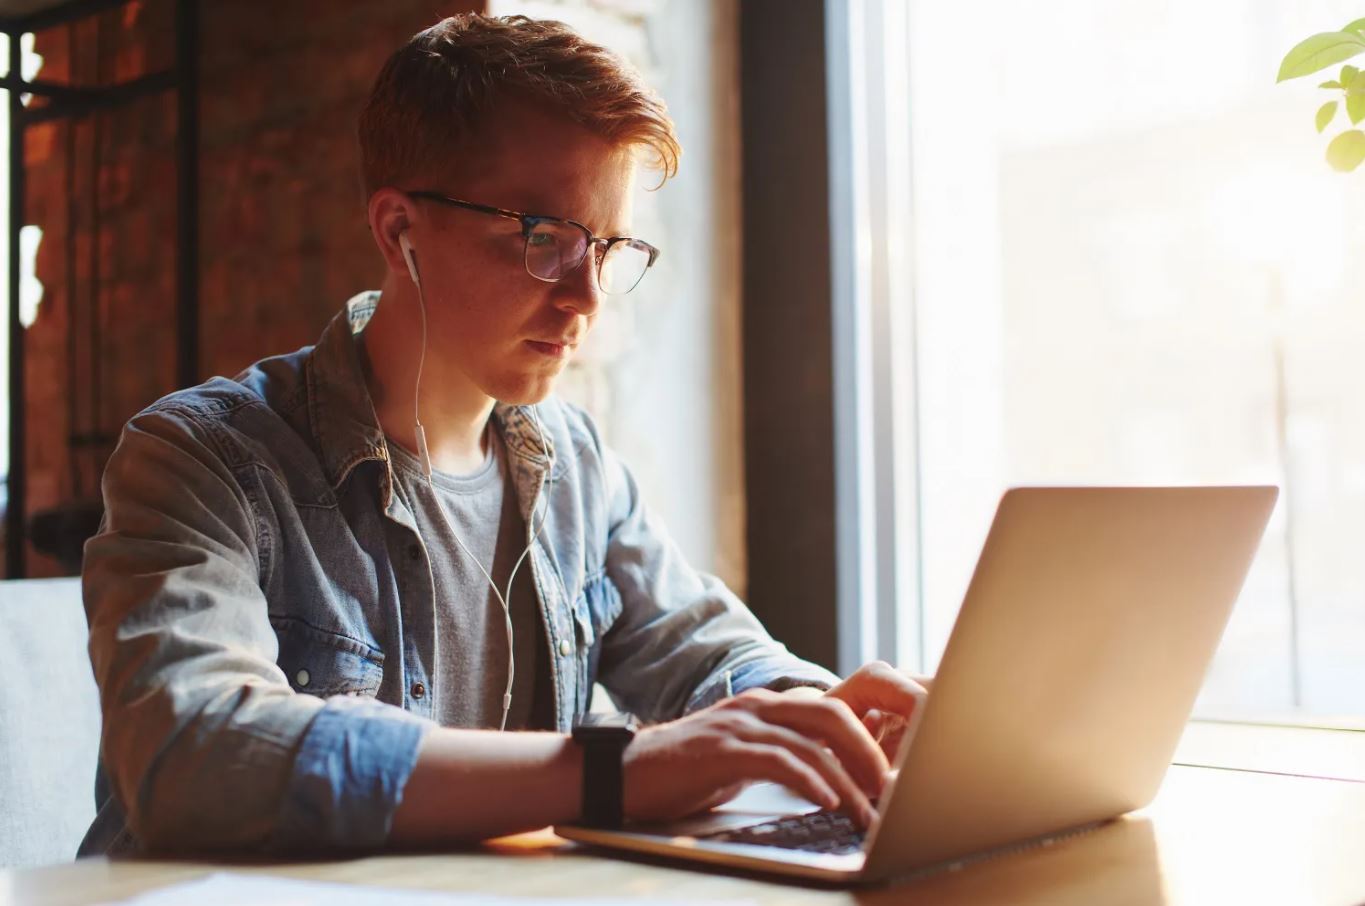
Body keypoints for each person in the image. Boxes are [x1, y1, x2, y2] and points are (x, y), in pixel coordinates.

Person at [78, 13, 929, 855]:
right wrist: (613, 771)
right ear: (398, 230)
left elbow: (702, 650)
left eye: (607, 246)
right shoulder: (201, 457)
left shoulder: (574, 466)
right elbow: (192, 755)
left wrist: (817, 717)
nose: (588, 297)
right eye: (542, 238)